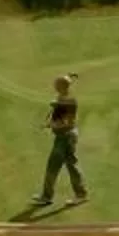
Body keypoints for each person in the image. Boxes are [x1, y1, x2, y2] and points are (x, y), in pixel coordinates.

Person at [38, 72, 88, 207]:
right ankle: (80, 194)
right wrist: (56, 104)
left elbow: (66, 122)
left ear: (60, 87)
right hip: (66, 136)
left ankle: (47, 196)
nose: (54, 86)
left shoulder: (68, 103)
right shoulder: (63, 98)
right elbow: (60, 105)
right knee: (72, 165)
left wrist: (51, 125)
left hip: (65, 137)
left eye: (56, 84)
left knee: (54, 166)